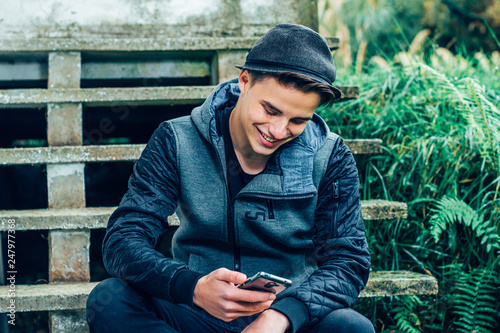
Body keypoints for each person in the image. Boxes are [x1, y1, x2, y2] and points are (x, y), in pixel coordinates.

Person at [86, 23, 374, 333]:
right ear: (245, 80)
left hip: (282, 322)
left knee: (352, 328)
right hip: (194, 312)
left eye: (298, 121)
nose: (278, 131)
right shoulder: (177, 140)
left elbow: (348, 260)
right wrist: (192, 287)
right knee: (110, 298)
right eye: (270, 110)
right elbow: (123, 239)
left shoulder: (331, 156)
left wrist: (282, 316)